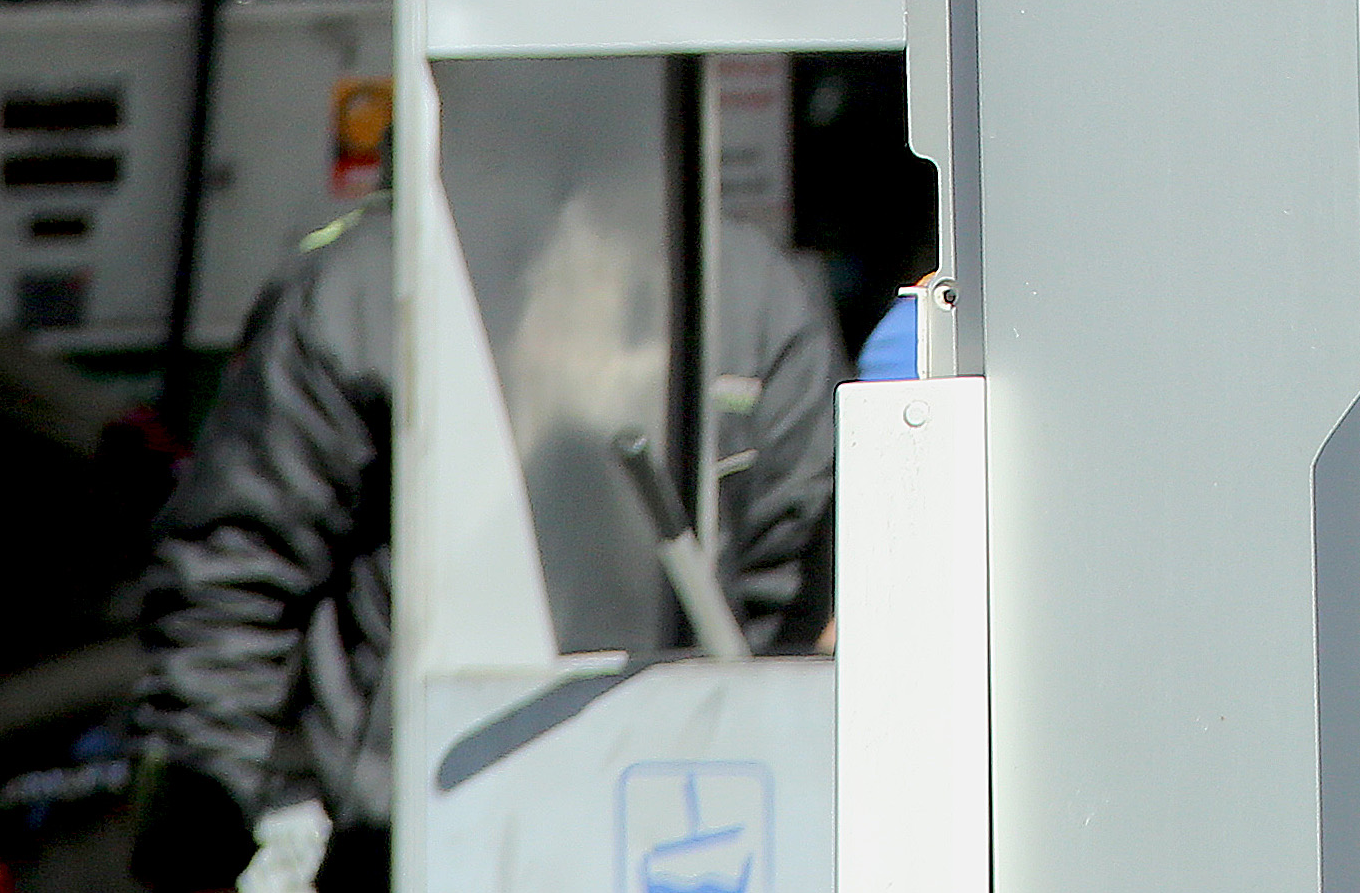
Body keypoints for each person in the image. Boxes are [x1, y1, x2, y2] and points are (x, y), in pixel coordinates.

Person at [123, 194, 848, 893]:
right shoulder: (367, 286)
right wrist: (198, 841)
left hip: (677, 836)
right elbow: (237, 573)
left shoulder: (753, 297)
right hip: (408, 837)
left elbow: (795, 611)